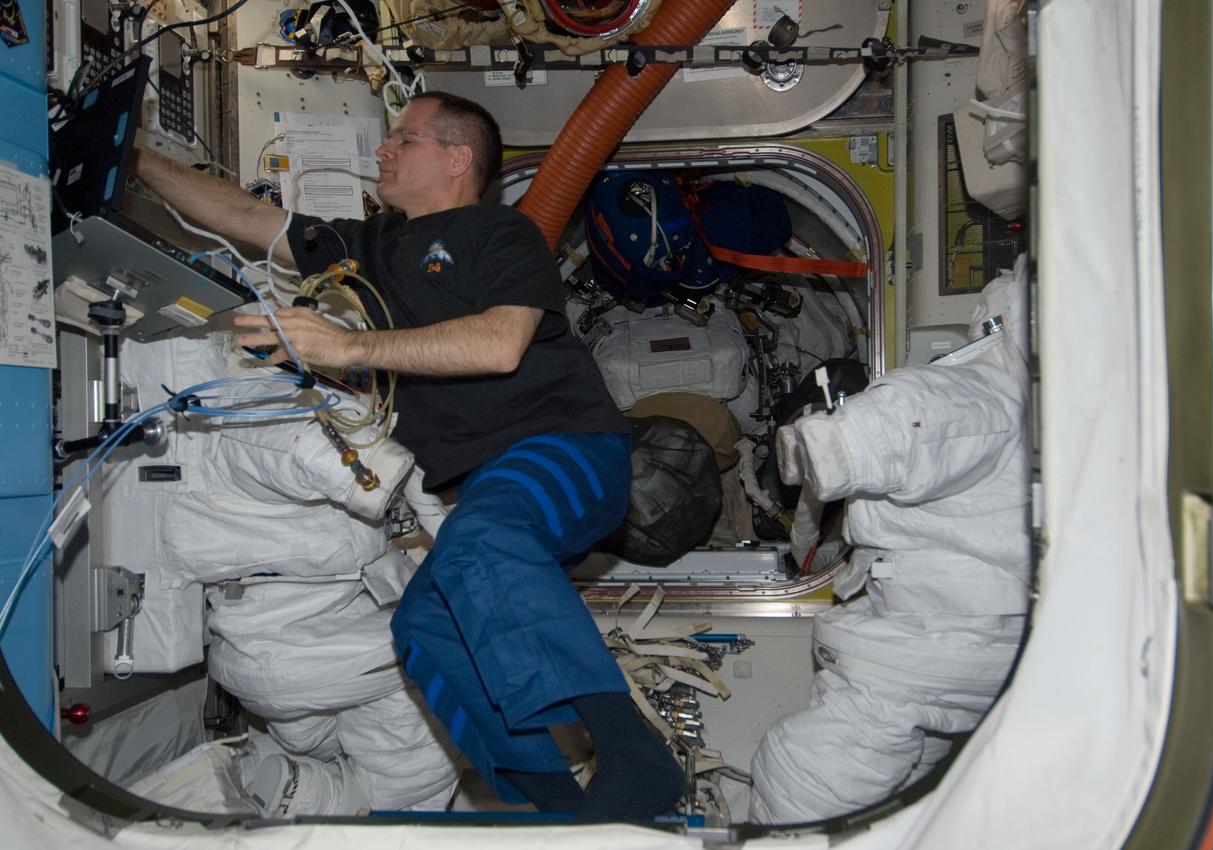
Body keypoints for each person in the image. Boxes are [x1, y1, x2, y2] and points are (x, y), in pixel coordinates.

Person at [133, 91, 684, 821]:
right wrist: (135, 159)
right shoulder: (369, 247)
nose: (384, 151)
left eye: (404, 138)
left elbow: (501, 344)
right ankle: (555, 804)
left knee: (481, 543)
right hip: (490, 480)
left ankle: (635, 757)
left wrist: (350, 345)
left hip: (568, 449)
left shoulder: (500, 233)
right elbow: (244, 218)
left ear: (458, 159)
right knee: (424, 624)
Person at [748, 257, 1032, 822]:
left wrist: (816, 446)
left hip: (933, 638)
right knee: (908, 778)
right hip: (973, 635)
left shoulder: (983, 391)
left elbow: (911, 423)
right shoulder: (1029, 396)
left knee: (804, 776)